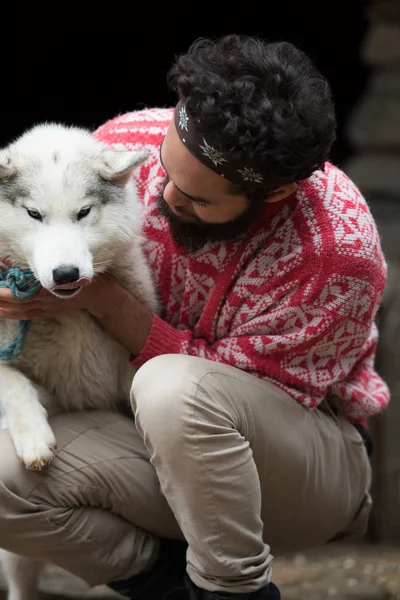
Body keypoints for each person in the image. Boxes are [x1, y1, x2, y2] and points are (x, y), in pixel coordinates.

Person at [0, 34, 390, 600]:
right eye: (166, 170)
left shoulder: (336, 254)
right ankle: (165, 582)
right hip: (144, 426)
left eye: (197, 200)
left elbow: (230, 393)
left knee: (173, 389)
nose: (164, 197)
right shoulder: (124, 146)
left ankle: (232, 589)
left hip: (294, 458)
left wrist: (105, 300)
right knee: (9, 474)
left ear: (276, 192)